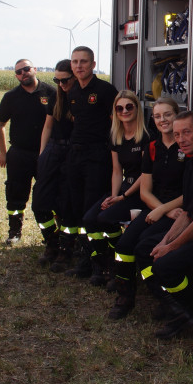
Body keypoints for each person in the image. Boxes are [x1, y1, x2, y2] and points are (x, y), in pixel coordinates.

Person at [107, 97, 186, 319]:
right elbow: (145, 191)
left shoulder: (186, 146)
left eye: (168, 115)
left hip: (180, 212)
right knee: (123, 247)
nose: (163, 120)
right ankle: (124, 298)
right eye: (158, 116)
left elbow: (192, 192)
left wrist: (166, 210)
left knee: (147, 250)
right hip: (156, 209)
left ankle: (167, 301)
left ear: (177, 115)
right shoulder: (152, 147)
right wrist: (162, 209)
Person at [145, 111, 193, 339]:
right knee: (145, 250)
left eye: (187, 132)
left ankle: (191, 306)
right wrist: (164, 241)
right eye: (177, 134)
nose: (181, 139)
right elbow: (187, 213)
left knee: (165, 264)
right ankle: (172, 303)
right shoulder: (190, 163)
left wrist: (170, 248)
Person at [56, 46, 117, 272]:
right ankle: (86, 257)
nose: (79, 66)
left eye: (83, 62)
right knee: (76, 205)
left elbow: (116, 124)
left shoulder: (104, 90)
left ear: (93, 64)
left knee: (91, 206)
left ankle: (100, 263)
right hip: (75, 155)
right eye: (75, 62)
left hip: (97, 156)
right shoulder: (72, 92)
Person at [76, 91, 148, 281]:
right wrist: (113, 196)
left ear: (136, 108)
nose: (124, 111)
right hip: (123, 189)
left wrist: (122, 198)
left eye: (129, 107)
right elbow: (117, 171)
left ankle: (121, 266)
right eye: (119, 108)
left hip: (141, 192)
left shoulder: (145, 136)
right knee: (90, 219)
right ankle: (105, 264)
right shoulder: (116, 136)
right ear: (115, 112)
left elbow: (145, 174)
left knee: (106, 219)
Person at [0, 59, 56, 245]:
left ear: (34, 69)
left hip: (45, 154)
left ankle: (51, 235)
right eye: (19, 72)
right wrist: (3, 152)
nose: (23, 74)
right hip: (19, 153)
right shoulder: (11, 97)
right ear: (16, 76)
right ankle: (15, 232)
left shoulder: (51, 92)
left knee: (48, 194)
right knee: (15, 193)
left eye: (26, 69)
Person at [34, 59, 75, 267]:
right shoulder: (54, 97)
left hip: (73, 153)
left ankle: (67, 250)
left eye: (65, 80)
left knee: (67, 204)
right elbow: (47, 127)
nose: (61, 85)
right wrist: (42, 155)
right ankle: (51, 242)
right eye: (56, 80)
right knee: (39, 203)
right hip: (53, 150)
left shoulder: (81, 99)